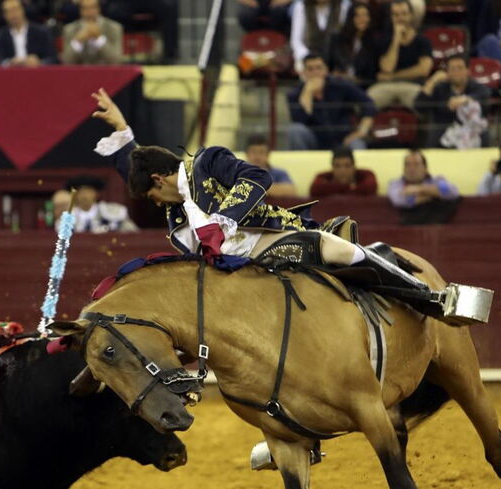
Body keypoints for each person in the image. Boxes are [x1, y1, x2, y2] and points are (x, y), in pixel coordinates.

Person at [90, 87, 457, 321]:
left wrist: (224, 222)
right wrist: (123, 130)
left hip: (267, 242)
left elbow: (256, 178)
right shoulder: (173, 203)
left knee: (338, 251)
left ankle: (428, 297)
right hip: (224, 279)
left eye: (153, 194)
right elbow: (137, 165)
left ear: (160, 180)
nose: (156, 203)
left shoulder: (207, 162)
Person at [287, 54, 376, 150]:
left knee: (357, 144)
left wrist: (361, 131)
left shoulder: (340, 85)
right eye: (310, 69)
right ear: (303, 72)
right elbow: (299, 121)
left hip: (344, 140)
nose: (315, 72)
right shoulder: (294, 94)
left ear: (326, 70)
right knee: (295, 130)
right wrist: (308, 94)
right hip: (315, 141)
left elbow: (368, 104)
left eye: (319, 68)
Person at [366, 0, 433, 110]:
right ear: (391, 17)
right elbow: (387, 68)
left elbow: (423, 70)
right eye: (396, 15)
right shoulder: (385, 41)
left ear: (411, 15)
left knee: (424, 103)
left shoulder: (423, 41)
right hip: (386, 86)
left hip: (413, 85)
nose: (400, 18)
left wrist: (393, 76)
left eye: (404, 14)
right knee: (366, 103)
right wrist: (396, 38)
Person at [414, 54, 490, 148]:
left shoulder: (476, 87)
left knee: (484, 133)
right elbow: (419, 106)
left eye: (460, 68)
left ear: (467, 71)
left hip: (470, 130)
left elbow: (486, 96)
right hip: (443, 130)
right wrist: (433, 80)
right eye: (452, 69)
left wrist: (465, 99)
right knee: (433, 135)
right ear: (447, 72)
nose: (456, 72)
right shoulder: (440, 88)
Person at [387, 149, 460, 224]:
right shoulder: (396, 184)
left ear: (425, 168)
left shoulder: (437, 180)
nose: (411, 169)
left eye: (416, 164)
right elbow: (399, 200)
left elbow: (453, 192)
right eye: (407, 165)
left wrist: (419, 189)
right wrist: (432, 194)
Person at [290, 0, 350, 73]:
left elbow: (345, 38)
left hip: (334, 57)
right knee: (306, 67)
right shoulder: (301, 6)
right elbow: (296, 41)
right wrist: (308, 57)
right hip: (309, 54)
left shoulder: (343, 6)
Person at [0, 0, 57, 66]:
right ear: (4, 15)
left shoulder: (41, 32)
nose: (13, 14)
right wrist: (9, 63)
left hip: (37, 73)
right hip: (10, 74)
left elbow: (52, 58)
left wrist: (39, 62)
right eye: (8, 11)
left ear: (23, 10)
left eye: (15, 9)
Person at [65, 175, 139, 233]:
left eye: (88, 191)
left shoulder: (114, 211)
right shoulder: (68, 217)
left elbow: (132, 235)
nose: (84, 196)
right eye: (81, 192)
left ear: (96, 194)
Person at [61, 0, 123, 65]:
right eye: (85, 8)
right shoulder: (69, 29)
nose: (89, 12)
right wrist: (77, 41)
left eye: (92, 7)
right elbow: (66, 62)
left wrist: (99, 39)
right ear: (80, 10)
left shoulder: (113, 28)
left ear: (99, 8)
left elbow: (116, 60)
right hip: (79, 74)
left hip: (106, 73)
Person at [333, 1, 380, 86]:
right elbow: (331, 62)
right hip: (339, 83)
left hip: (364, 84)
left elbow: (372, 72)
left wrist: (354, 78)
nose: (362, 19)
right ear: (350, 18)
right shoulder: (338, 38)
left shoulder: (374, 41)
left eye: (365, 15)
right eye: (357, 15)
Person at [309, 146, 378, 197]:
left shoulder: (365, 174)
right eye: (337, 166)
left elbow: (371, 187)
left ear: (354, 167)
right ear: (332, 168)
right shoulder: (323, 176)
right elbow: (315, 189)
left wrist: (333, 188)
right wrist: (350, 187)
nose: (342, 170)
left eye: (347, 166)